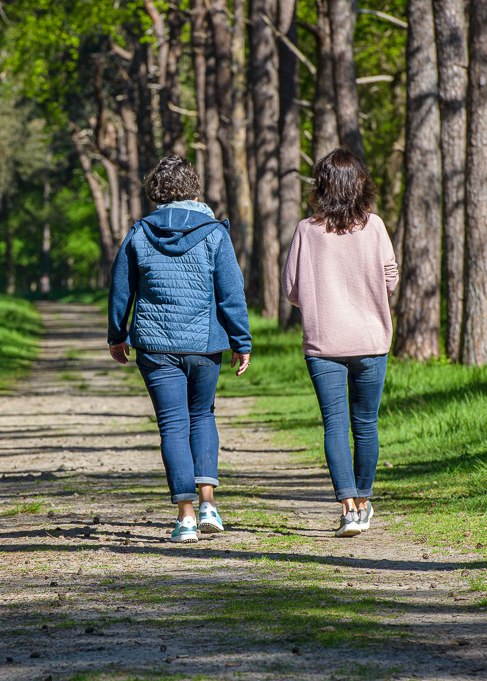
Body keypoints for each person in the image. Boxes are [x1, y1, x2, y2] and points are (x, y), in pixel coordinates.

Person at [108, 155, 252, 544]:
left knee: (172, 423)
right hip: (204, 344)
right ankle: (210, 506)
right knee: (202, 415)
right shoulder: (215, 233)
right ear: (194, 186)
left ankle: (185, 518)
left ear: (155, 190)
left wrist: (116, 335)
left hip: (154, 346)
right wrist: (241, 342)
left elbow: (121, 289)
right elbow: (231, 292)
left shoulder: (140, 232)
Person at [281, 148, 398, 538]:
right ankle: (364, 502)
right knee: (365, 424)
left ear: (321, 186)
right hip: (371, 341)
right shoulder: (376, 226)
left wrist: (320, 297)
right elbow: (391, 280)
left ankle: (347, 508)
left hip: (324, 342)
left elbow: (291, 290)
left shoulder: (306, 230)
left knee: (334, 424)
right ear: (360, 184)